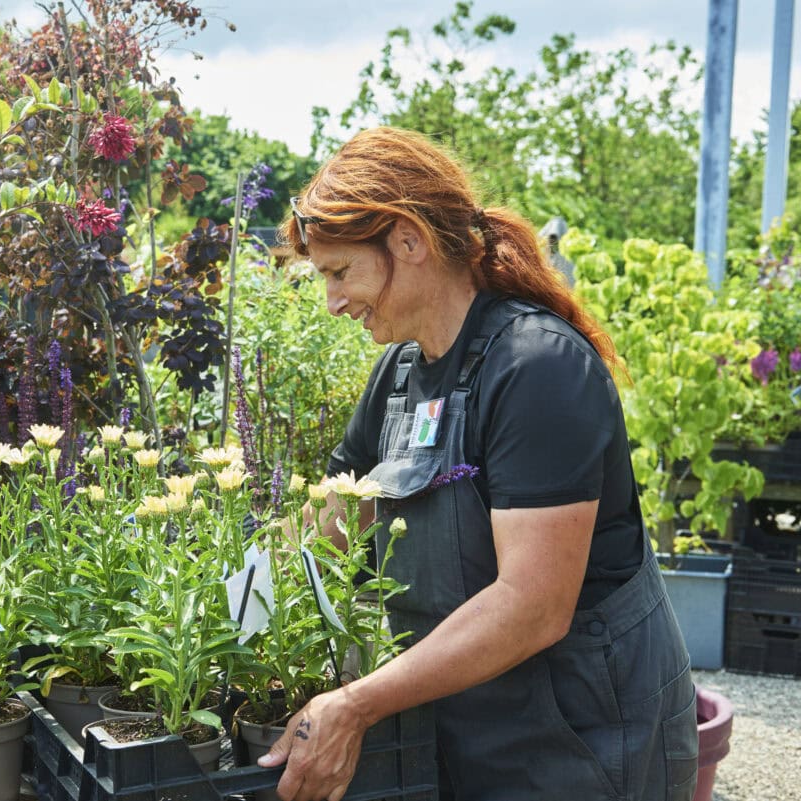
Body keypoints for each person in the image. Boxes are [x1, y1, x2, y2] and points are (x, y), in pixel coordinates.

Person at [258, 127, 698, 801]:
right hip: (470, 733)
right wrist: (223, 608)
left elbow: (533, 605)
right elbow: (326, 529)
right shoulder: (399, 376)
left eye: (340, 272)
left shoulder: (536, 366)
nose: (333, 302)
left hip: (586, 744)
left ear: (409, 241)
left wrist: (356, 703)